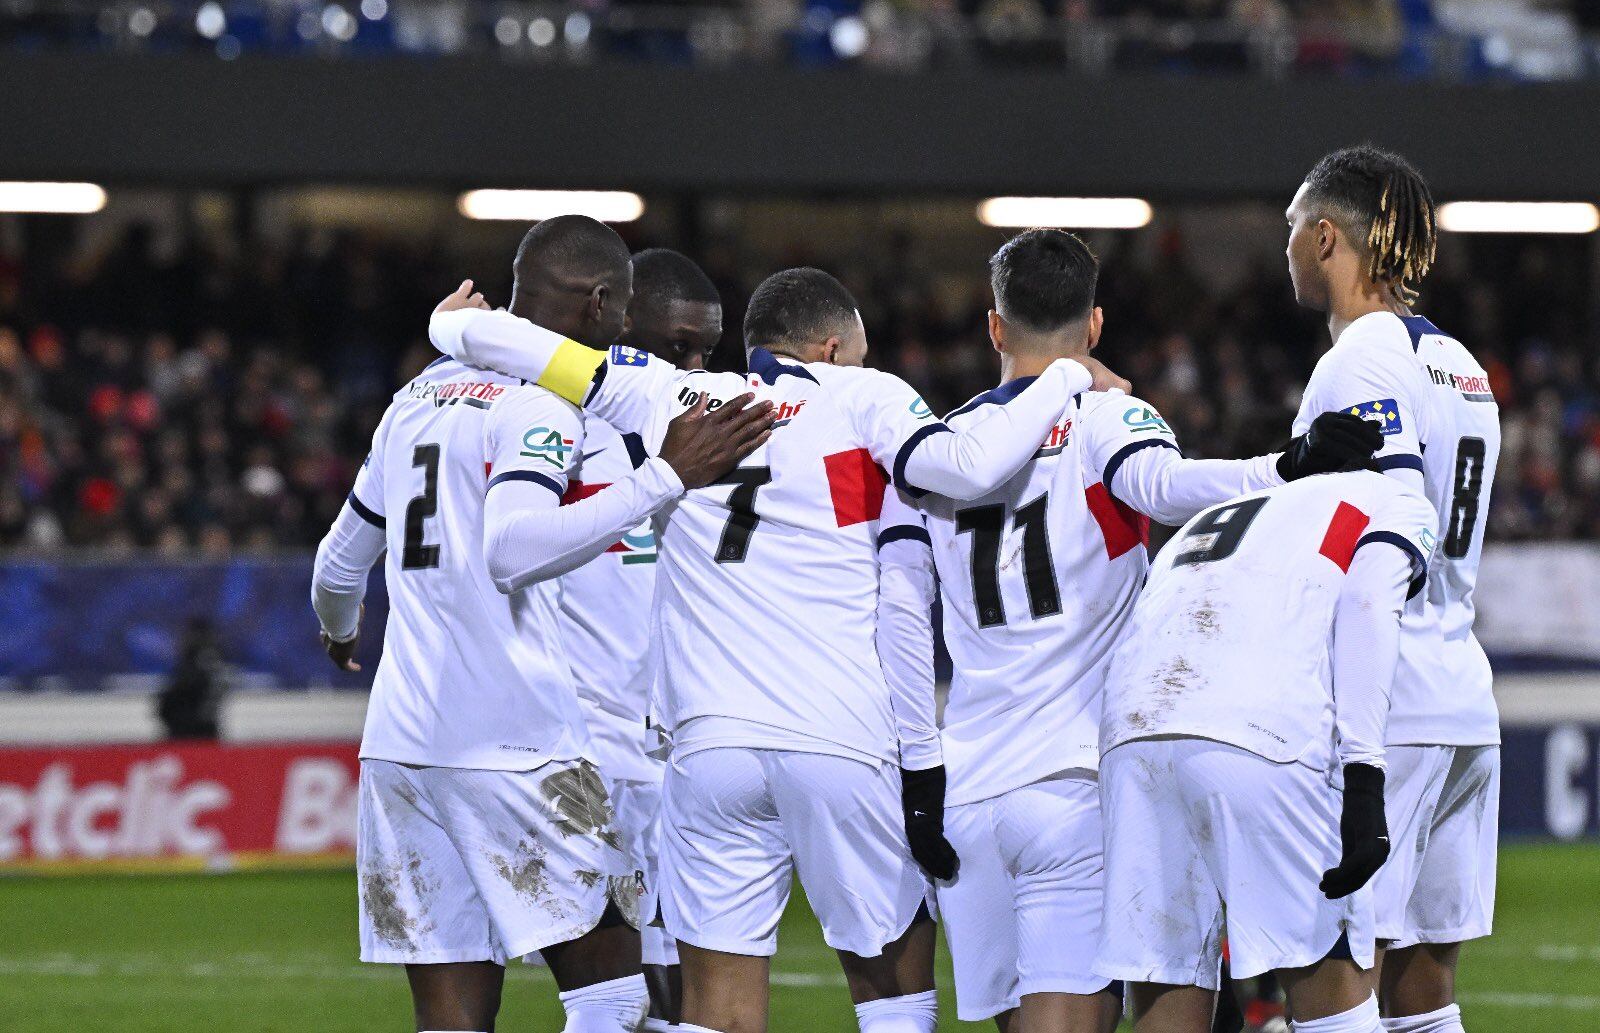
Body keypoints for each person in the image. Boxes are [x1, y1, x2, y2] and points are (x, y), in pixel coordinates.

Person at [428, 265, 1130, 1033]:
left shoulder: (673, 393)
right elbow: (965, 469)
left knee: (716, 1009)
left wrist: (448, 324)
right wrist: (1067, 373)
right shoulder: (868, 395)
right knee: (892, 993)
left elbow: (528, 348)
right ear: (832, 348)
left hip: (712, 746)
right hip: (840, 735)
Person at [875, 228, 1383, 1033]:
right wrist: (1284, 466)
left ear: (995, 327)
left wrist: (920, 771)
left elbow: (899, 611)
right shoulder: (1106, 416)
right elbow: (1165, 485)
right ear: (1096, 325)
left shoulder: (932, 449)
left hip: (968, 791)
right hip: (1075, 784)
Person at [309, 217, 770, 1033]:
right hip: (519, 745)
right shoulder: (542, 407)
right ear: (599, 303)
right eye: (621, 311)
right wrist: (666, 475)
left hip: (400, 748)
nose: (623, 330)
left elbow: (339, 565)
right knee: (616, 996)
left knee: (450, 1019)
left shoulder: (412, 401)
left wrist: (341, 629)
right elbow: (513, 549)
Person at [1284, 146, 1502, 1033]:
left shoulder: (1360, 359)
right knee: (1423, 991)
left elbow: (1388, 530)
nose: (1286, 248)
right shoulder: (1463, 363)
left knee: (1333, 976)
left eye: (1291, 229)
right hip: (1461, 698)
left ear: (1325, 237)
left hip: (1385, 704)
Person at [1096, 470, 1439, 1033]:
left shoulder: (1216, 510)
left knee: (1169, 987)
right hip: (1260, 731)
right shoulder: (1391, 495)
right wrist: (1364, 775)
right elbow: (1369, 602)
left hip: (1133, 733)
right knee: (1334, 1003)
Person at [555, 247, 726, 1031]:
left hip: (668, 744)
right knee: (619, 994)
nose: (692, 368)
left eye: (706, 352)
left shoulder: (712, 424)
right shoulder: (553, 414)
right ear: (621, 322)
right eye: (678, 345)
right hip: (585, 741)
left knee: (658, 987)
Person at [157, 617, 225, 741]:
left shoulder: (197, 667)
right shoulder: (208, 664)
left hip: (191, 732)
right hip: (196, 731)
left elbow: (181, 695)